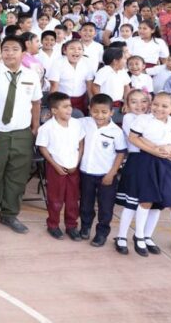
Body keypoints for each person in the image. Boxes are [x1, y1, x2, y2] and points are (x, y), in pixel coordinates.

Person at [0, 36, 42, 233]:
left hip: (22, 133)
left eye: (14, 49)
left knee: (17, 177)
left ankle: (10, 215)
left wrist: (35, 127)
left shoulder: (31, 75)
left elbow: (36, 103)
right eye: (6, 49)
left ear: (23, 53)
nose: (9, 53)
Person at [127, 92, 171, 259]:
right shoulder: (144, 120)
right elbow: (133, 137)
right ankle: (140, 236)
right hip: (148, 161)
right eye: (156, 104)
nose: (158, 108)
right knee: (147, 200)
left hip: (169, 165)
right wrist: (154, 150)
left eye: (164, 106)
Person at [78, 94, 127, 247]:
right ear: (89, 110)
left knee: (106, 206)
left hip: (106, 175)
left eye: (104, 112)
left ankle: (101, 233)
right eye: (95, 111)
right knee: (86, 204)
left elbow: (120, 153)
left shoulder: (116, 131)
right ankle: (85, 227)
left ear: (112, 112)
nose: (99, 115)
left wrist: (112, 173)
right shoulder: (83, 123)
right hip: (86, 172)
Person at [36, 92, 85, 240]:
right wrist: (56, 166)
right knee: (55, 199)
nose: (69, 109)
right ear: (54, 111)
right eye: (64, 107)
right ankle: (53, 225)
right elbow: (43, 148)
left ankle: (71, 226)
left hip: (73, 168)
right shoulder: (47, 128)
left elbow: (81, 143)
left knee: (72, 199)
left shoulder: (76, 124)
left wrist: (77, 162)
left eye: (70, 106)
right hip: (56, 168)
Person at [114, 89, 155, 255]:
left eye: (143, 101)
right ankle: (122, 236)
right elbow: (140, 139)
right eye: (134, 102)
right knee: (132, 202)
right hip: (137, 161)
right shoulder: (129, 118)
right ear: (127, 105)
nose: (140, 105)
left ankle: (146, 236)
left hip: (154, 162)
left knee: (153, 203)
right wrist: (160, 147)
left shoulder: (152, 118)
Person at [47, 40, 94, 117]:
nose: (76, 51)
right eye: (72, 48)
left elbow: (89, 85)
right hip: (62, 101)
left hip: (81, 100)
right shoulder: (58, 63)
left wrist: (92, 103)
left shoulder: (87, 62)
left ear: (83, 51)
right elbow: (54, 86)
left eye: (79, 49)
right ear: (65, 51)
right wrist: (52, 107)